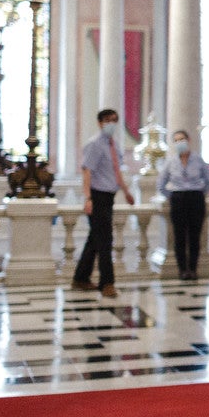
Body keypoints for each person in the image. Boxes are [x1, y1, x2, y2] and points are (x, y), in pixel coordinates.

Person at [72, 108, 135, 299]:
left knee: (95, 240)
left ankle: (81, 277)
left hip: (109, 197)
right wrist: (88, 198)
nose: (112, 124)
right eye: (108, 120)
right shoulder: (94, 145)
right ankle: (107, 283)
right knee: (105, 240)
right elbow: (87, 172)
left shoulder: (113, 145)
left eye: (115, 120)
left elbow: (116, 172)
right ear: (100, 123)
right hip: (97, 196)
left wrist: (126, 192)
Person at [157, 129, 209, 281]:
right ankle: (182, 269)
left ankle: (193, 269)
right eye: (176, 140)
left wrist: (200, 194)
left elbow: (208, 181)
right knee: (179, 236)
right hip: (178, 198)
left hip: (196, 198)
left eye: (182, 139)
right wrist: (173, 196)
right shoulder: (170, 161)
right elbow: (161, 184)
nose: (179, 143)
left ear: (188, 140)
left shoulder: (198, 159)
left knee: (195, 236)